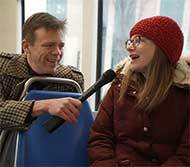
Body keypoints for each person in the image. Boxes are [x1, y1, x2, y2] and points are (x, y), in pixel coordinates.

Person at [88, 16, 190, 166]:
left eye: (139, 40)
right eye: (130, 41)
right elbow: (99, 138)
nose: (130, 47)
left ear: (162, 48)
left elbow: (186, 154)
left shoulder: (185, 95)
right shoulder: (119, 86)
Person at [0, 12, 84, 165]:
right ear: (26, 46)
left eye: (60, 45)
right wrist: (43, 105)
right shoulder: (3, 68)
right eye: (49, 45)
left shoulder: (71, 79)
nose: (57, 52)